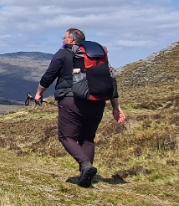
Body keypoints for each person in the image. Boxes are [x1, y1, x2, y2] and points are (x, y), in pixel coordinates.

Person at [33, 28, 125, 187]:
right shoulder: (97, 56)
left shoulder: (63, 54)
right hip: (97, 102)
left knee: (66, 137)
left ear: (71, 40)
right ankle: (85, 177)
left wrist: (39, 93)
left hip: (71, 100)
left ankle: (85, 165)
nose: (63, 40)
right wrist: (116, 107)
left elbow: (49, 75)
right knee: (87, 138)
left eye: (64, 37)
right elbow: (111, 80)